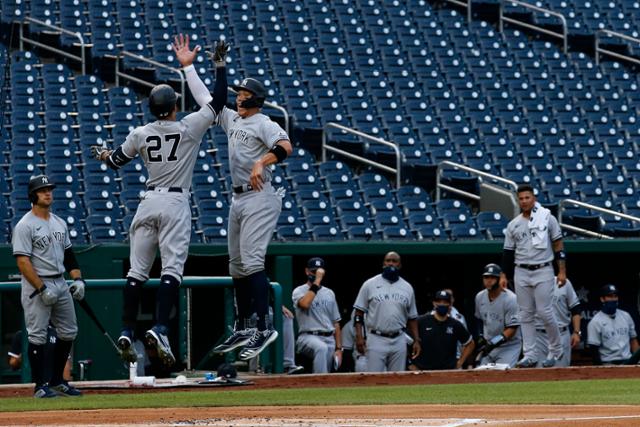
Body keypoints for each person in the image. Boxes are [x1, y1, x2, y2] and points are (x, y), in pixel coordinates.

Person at [173, 34, 292, 360]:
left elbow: (285, 148)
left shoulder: (263, 122)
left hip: (260, 196)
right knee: (237, 266)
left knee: (252, 262)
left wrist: (261, 161)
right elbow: (205, 99)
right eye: (238, 92)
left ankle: (265, 326)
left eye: (243, 93)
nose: (238, 97)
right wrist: (191, 68)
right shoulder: (232, 118)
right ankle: (243, 324)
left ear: (255, 99)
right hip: (239, 199)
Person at [91, 70, 217, 367]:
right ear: (174, 106)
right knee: (171, 269)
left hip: (148, 201)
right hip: (175, 200)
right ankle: (160, 328)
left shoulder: (141, 133)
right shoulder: (188, 127)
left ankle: (126, 329)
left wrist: (103, 156)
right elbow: (217, 102)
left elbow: (115, 162)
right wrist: (218, 66)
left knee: (136, 273)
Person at [11, 175, 86, 398]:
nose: (48, 193)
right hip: (37, 284)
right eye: (42, 190)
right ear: (33, 195)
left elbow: (70, 255)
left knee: (69, 331)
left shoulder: (59, 222)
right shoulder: (25, 225)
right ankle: (39, 386)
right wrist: (42, 289)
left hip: (60, 281)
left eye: (49, 189)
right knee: (37, 336)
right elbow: (22, 262)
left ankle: (56, 380)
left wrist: (78, 279)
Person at [500, 184, 566, 368]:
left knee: (545, 312)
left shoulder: (547, 218)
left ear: (533, 198)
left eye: (527, 197)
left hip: (543, 268)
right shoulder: (513, 224)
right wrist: (504, 274)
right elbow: (507, 252)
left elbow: (559, 245)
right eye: (521, 199)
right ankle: (530, 354)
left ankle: (555, 349)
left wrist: (562, 271)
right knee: (525, 314)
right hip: (521, 269)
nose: (524, 201)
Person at [353, 252, 421, 372]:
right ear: (383, 263)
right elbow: (358, 313)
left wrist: (416, 340)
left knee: (397, 378)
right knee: (374, 377)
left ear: (400, 265)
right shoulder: (369, 284)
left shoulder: (407, 287)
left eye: (394, 261)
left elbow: (412, 318)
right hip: (376, 337)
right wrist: (359, 336)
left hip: (399, 338)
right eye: (388, 260)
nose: (391, 263)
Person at [292, 257, 342, 373]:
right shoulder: (299, 291)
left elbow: (336, 322)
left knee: (328, 368)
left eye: (318, 272)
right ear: (307, 271)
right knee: (321, 348)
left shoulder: (329, 293)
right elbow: (305, 304)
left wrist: (339, 349)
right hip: (308, 336)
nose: (315, 274)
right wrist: (317, 281)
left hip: (329, 337)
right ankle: (320, 382)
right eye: (313, 271)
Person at [411, 290, 474, 370]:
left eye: (445, 302)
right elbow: (407, 340)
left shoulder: (455, 324)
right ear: (434, 303)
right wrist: (410, 363)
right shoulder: (422, 321)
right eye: (439, 301)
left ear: (450, 304)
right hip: (424, 370)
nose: (442, 304)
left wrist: (460, 362)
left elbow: (470, 343)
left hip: (448, 371)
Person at [474, 264, 521, 367]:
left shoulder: (511, 299)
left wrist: (493, 343)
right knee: (480, 376)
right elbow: (479, 320)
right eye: (486, 277)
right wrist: (481, 336)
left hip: (508, 346)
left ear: (499, 279)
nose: (489, 280)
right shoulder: (479, 297)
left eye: (493, 277)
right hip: (489, 346)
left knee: (502, 375)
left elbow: (512, 329)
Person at [533, 277, 582, 367]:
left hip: (561, 334)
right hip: (539, 336)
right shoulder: (530, 284)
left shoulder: (564, 282)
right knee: (538, 374)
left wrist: (576, 332)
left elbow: (575, 308)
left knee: (560, 374)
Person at [587, 284, 639, 365]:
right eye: (610, 296)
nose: (613, 299)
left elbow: (633, 340)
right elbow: (594, 350)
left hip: (628, 361)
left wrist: (638, 361)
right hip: (608, 363)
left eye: (615, 296)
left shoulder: (626, 316)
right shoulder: (595, 322)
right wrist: (601, 369)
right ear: (602, 299)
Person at [7, 328, 73, 381]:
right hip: (29, 380)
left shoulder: (56, 333)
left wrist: (65, 381)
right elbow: (12, 363)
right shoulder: (21, 334)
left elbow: (64, 361)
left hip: (50, 380)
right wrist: (23, 357)